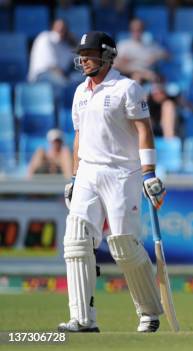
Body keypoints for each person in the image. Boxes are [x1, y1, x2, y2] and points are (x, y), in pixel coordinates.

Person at [58, 31, 166, 333]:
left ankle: (148, 312)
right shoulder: (80, 92)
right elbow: (79, 136)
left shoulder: (126, 88)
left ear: (106, 55)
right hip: (89, 173)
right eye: (82, 54)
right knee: (76, 240)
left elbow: (144, 130)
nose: (84, 59)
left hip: (123, 174)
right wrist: (75, 177)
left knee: (123, 245)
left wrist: (149, 172)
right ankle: (82, 319)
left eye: (90, 54)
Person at [28, 19, 77, 90]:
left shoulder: (65, 45)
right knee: (65, 84)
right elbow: (53, 68)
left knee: (78, 79)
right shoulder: (45, 37)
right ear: (52, 28)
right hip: (40, 75)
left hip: (59, 76)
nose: (60, 30)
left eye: (63, 29)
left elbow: (76, 57)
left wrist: (74, 41)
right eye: (58, 28)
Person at [114, 18, 167, 83]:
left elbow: (167, 55)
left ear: (143, 30)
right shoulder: (123, 45)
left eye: (139, 30)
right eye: (134, 30)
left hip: (148, 75)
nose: (136, 32)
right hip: (128, 75)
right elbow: (116, 64)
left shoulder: (150, 45)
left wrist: (157, 57)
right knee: (137, 76)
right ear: (130, 30)